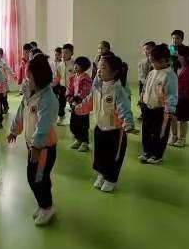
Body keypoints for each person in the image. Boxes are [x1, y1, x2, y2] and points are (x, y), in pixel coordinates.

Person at [8, 54, 58, 226]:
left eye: (29, 77)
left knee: (36, 178)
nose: (26, 80)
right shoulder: (30, 93)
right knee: (38, 178)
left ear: (40, 77)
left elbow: (43, 126)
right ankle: (44, 203)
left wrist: (36, 147)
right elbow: (21, 114)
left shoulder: (48, 99)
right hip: (33, 146)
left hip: (44, 149)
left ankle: (47, 207)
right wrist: (14, 130)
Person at [75, 55, 136, 192]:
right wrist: (80, 109)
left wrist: (128, 122)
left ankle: (111, 179)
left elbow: (124, 109)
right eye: (98, 67)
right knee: (100, 155)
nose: (99, 71)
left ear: (114, 72)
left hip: (115, 131)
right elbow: (90, 101)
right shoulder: (97, 85)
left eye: (103, 68)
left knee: (113, 157)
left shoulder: (119, 90)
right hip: (100, 127)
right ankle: (102, 174)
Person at [139, 44, 178, 164]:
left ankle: (157, 155)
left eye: (153, 61)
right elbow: (146, 87)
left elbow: (171, 95)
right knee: (146, 131)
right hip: (147, 106)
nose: (151, 64)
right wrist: (142, 99)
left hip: (161, 110)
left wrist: (169, 110)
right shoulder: (152, 72)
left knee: (159, 133)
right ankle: (147, 151)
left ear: (163, 60)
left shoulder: (170, 75)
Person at [67, 57, 93, 152]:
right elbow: (70, 88)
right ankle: (78, 139)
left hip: (84, 106)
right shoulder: (73, 77)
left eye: (77, 65)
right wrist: (69, 96)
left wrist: (77, 98)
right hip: (74, 105)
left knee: (83, 125)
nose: (75, 66)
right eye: (75, 64)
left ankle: (84, 142)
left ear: (82, 67)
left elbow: (86, 91)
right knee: (74, 124)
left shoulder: (86, 78)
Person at [56, 43, 75, 126]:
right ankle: (61, 116)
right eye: (63, 53)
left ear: (71, 53)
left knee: (73, 103)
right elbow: (58, 75)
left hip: (72, 88)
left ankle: (75, 119)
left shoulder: (74, 64)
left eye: (66, 52)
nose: (64, 55)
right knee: (61, 102)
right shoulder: (60, 65)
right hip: (62, 87)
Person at [138, 41, 155, 119]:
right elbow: (141, 75)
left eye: (148, 49)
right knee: (142, 99)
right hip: (144, 84)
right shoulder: (142, 62)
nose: (146, 51)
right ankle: (143, 113)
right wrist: (146, 83)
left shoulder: (157, 62)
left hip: (154, 84)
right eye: (144, 49)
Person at [0, 47, 12, 113]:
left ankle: (6, 107)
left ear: (1, 55)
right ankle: (0, 108)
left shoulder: (2, 62)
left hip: (3, 82)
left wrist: (12, 73)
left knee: (4, 96)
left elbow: (8, 68)